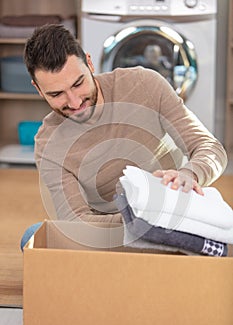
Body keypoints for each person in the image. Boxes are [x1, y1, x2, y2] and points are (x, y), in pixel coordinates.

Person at [24, 24, 227, 224]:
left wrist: (189, 175)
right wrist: (139, 222)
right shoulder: (48, 145)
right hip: (112, 228)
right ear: (38, 89)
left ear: (89, 64)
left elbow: (210, 148)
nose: (75, 102)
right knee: (32, 236)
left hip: (176, 209)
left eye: (78, 84)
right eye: (56, 94)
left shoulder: (144, 84)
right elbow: (75, 219)